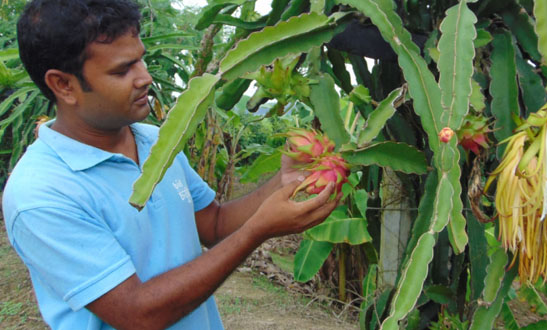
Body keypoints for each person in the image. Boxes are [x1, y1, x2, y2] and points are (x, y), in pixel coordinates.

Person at [2, 0, 340, 329]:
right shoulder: (40, 194)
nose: (145, 78)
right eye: (122, 69)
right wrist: (258, 231)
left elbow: (215, 224)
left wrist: (282, 182)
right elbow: (137, 314)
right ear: (63, 85)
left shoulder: (155, 142)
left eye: (140, 61)